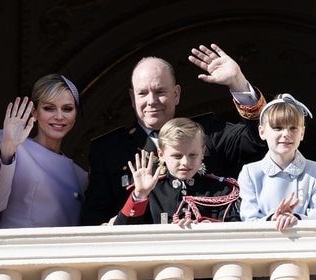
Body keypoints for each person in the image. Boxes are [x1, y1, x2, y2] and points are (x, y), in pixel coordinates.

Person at [81, 43, 267, 226]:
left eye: (160, 91)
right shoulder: (108, 150)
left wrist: (239, 84)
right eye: (142, 93)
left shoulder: (208, 132)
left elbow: (259, 139)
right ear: (132, 98)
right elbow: (94, 220)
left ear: (176, 94)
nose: (151, 101)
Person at [113, 117, 241, 280]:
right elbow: (121, 235)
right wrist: (140, 196)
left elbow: (238, 232)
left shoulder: (220, 190)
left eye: (192, 155)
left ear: (203, 152)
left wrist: (207, 227)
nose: (185, 162)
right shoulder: (153, 191)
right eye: (177, 155)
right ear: (161, 154)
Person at [0, 74, 88, 280]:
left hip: (60, 276)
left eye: (67, 109)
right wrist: (6, 151)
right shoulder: (10, 144)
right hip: (16, 269)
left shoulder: (79, 175)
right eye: (49, 108)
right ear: (34, 112)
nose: (59, 116)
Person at [238, 93, 316, 280]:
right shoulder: (251, 173)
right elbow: (248, 218)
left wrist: (297, 220)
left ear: (302, 132)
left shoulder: (313, 171)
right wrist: (273, 218)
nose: (286, 134)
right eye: (278, 127)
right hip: (262, 266)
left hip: (306, 265)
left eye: (293, 128)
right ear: (262, 131)